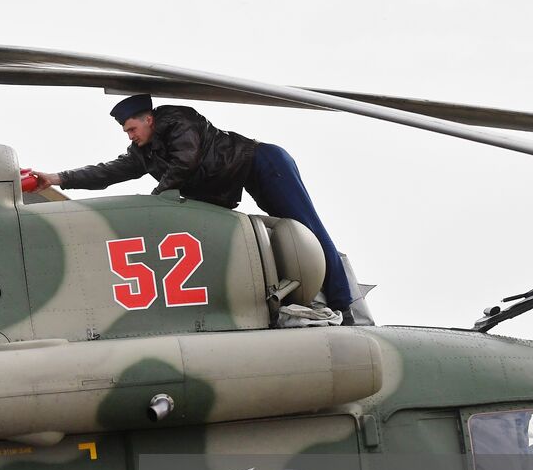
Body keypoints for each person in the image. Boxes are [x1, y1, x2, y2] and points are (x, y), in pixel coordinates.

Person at [28, 94, 355, 313]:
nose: (129, 136)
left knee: (306, 231)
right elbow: (107, 172)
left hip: (262, 163)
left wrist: (159, 200)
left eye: (131, 128)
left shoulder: (178, 120)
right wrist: (56, 178)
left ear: (149, 120)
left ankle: (344, 305)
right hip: (239, 178)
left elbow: (187, 160)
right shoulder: (145, 150)